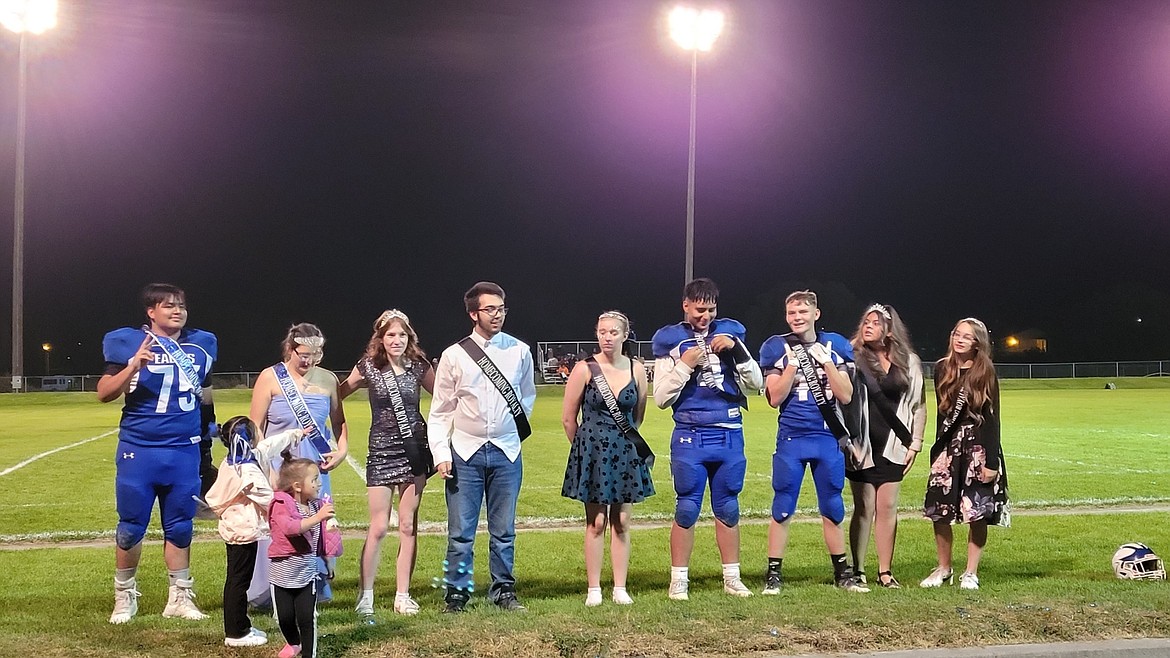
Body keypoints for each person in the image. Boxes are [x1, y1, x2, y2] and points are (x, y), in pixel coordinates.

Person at [98, 283, 217, 624]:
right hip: (140, 449)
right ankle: (124, 597)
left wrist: (208, 432)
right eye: (168, 306)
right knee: (131, 526)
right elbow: (104, 393)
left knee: (180, 526)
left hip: (184, 451)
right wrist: (132, 366)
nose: (177, 310)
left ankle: (179, 597)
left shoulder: (202, 343)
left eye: (181, 305)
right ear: (151, 312)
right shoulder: (127, 341)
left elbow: (204, 393)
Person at [428, 281, 536, 613]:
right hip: (465, 453)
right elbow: (440, 411)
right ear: (473, 313)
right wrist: (441, 454)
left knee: (504, 530)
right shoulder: (454, 355)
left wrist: (511, 433)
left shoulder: (519, 351)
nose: (497, 314)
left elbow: (527, 398)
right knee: (460, 533)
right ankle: (457, 594)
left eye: (501, 308)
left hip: (506, 453)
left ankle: (503, 590)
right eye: (490, 309)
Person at [652, 278, 762, 600]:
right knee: (686, 507)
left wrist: (738, 350)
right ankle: (679, 579)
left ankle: (732, 577)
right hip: (690, 433)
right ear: (685, 305)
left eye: (711, 309)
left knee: (728, 505)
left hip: (729, 431)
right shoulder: (670, 340)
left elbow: (755, 386)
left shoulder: (730, 333)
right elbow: (660, 397)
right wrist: (685, 366)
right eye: (700, 309)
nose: (706, 316)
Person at [758, 290, 868, 594]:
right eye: (792, 313)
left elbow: (846, 395)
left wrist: (828, 365)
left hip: (826, 437)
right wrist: (793, 365)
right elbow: (773, 397)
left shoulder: (835, 345)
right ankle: (773, 574)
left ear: (815, 314)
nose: (797, 318)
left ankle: (842, 573)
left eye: (803, 312)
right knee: (782, 506)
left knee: (832, 506)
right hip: (792, 437)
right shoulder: (776, 347)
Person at [340, 309, 436, 617]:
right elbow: (337, 394)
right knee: (379, 527)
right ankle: (365, 595)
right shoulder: (368, 366)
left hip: (414, 451)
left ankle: (402, 595)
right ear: (380, 338)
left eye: (402, 335)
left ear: (410, 337)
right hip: (381, 451)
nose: (397, 340)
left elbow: (447, 397)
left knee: (408, 525)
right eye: (391, 334)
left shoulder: (420, 367)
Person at [248, 323, 348, 606]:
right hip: (279, 467)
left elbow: (340, 424)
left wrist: (341, 452)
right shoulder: (270, 377)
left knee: (315, 523)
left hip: (315, 467)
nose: (309, 361)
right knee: (281, 525)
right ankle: (272, 590)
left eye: (315, 355)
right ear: (290, 349)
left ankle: (314, 586)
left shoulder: (328, 380)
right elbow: (255, 427)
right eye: (303, 354)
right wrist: (261, 468)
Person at [561, 311, 653, 607]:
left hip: (625, 451)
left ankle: (620, 587)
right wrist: (584, 451)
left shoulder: (636, 369)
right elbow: (568, 418)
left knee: (622, 520)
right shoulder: (584, 369)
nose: (607, 337)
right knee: (596, 522)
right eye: (602, 332)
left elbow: (637, 415)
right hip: (593, 453)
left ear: (625, 335)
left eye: (613, 332)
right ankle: (594, 589)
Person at [921, 317, 1008, 591]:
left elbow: (993, 419)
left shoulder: (985, 372)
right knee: (939, 511)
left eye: (966, 336)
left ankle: (971, 572)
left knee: (977, 512)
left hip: (978, 448)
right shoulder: (942, 369)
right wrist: (937, 450)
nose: (959, 339)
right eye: (957, 334)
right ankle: (943, 567)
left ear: (977, 343)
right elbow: (941, 414)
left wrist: (991, 462)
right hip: (949, 448)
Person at [845, 304, 927, 589]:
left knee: (888, 507)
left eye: (876, 322)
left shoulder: (910, 361)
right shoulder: (852, 358)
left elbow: (919, 406)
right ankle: (857, 570)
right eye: (865, 321)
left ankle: (885, 572)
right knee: (864, 507)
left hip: (895, 444)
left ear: (890, 330)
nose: (868, 326)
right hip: (862, 445)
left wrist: (915, 444)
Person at [204, 417, 302, 647]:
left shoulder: (243, 458)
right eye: (256, 431)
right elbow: (268, 500)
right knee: (238, 581)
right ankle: (236, 632)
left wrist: (296, 434)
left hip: (240, 528)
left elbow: (269, 447)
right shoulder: (247, 470)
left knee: (238, 579)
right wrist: (295, 512)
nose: (261, 434)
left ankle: (241, 625)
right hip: (242, 531)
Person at [268, 454, 341, 658]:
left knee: (307, 618)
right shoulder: (281, 505)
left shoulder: (316, 506)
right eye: (314, 480)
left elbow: (325, 537)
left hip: (307, 574)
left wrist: (328, 560)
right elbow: (291, 528)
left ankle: (309, 654)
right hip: (281, 576)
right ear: (298, 486)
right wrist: (317, 517)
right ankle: (293, 643)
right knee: (284, 617)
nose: (319, 484)